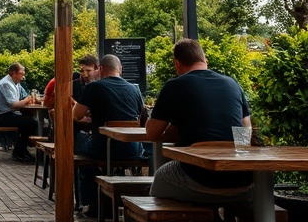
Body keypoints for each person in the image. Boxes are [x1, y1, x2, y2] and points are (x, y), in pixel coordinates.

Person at [146, 39, 252, 203]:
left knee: (161, 176)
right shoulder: (232, 84)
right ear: (205, 60)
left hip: (199, 178)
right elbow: (245, 134)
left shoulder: (175, 86)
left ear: (177, 64)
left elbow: (152, 134)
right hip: (241, 179)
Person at [73, 54, 145, 217]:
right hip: (132, 149)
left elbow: (76, 115)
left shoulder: (94, 87)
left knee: (81, 147)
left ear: (101, 69)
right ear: (120, 69)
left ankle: (90, 205)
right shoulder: (134, 89)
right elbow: (141, 118)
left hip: (103, 148)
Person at [0, 62, 37, 162]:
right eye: (21, 73)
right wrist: (28, 100)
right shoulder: (6, 84)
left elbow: (20, 100)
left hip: (8, 114)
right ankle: (20, 152)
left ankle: (21, 150)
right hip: (2, 117)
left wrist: (26, 100)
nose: (23, 76)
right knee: (31, 123)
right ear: (13, 73)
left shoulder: (15, 83)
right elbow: (14, 104)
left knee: (29, 119)